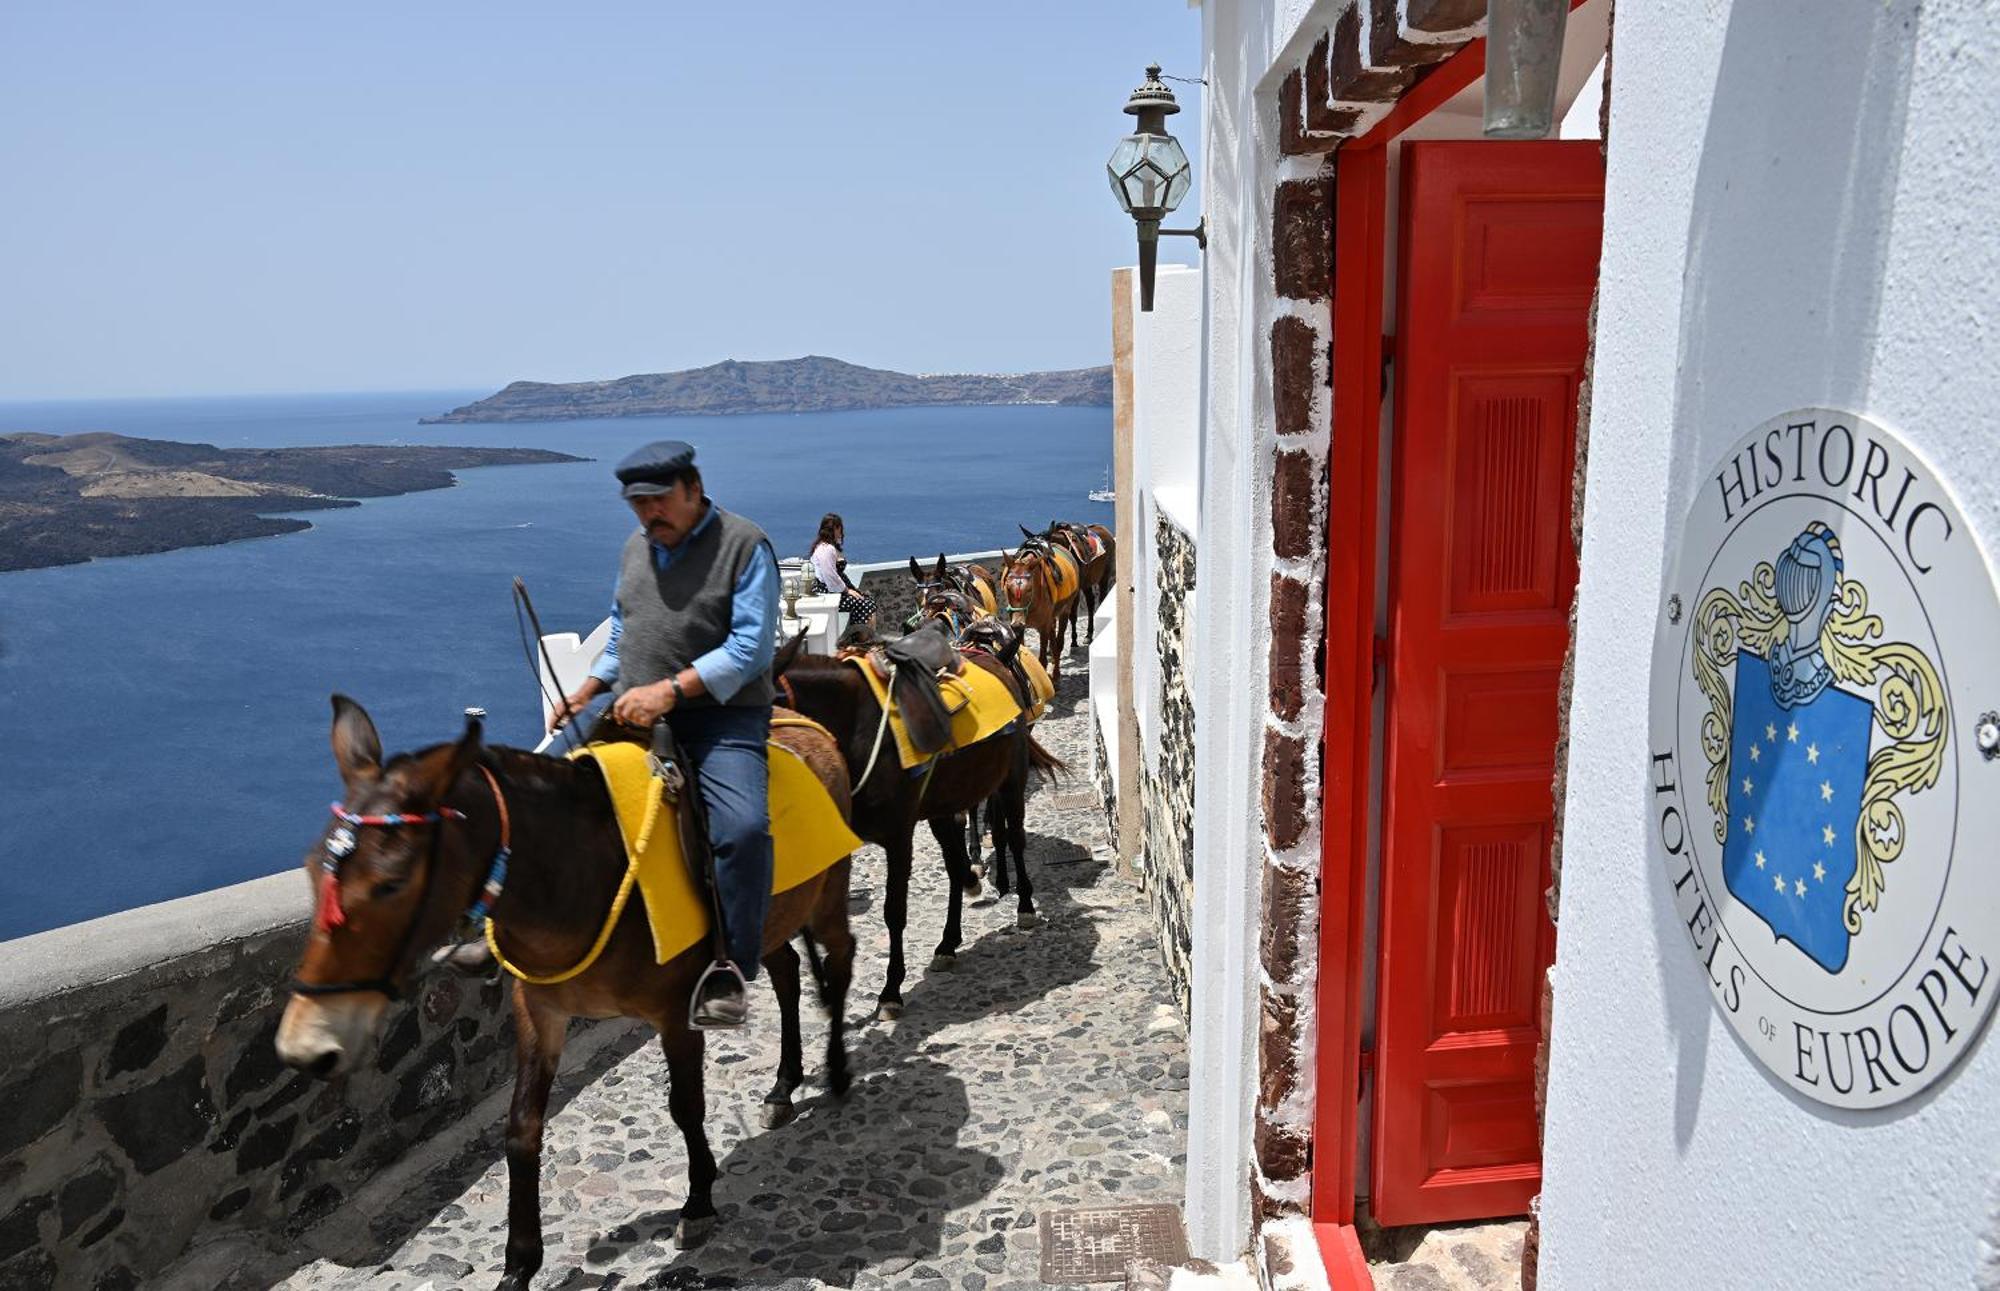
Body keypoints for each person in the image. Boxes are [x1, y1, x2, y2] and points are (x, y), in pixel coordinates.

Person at [546, 440, 780, 1029]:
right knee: (550, 806)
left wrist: (670, 692)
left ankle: (731, 966)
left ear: (693, 490)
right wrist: (591, 686)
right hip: (636, 713)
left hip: (721, 720)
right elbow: (626, 631)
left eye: (658, 501)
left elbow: (752, 650)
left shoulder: (745, 544)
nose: (648, 515)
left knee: (743, 830)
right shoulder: (636, 548)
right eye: (637, 504)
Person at [808, 512, 877, 630]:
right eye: (839, 528)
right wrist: (846, 590)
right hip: (828, 591)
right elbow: (830, 575)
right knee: (866, 604)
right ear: (835, 529)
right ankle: (865, 640)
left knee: (866, 601)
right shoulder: (826, 549)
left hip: (833, 589)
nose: (841, 531)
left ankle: (863, 638)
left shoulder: (828, 546)